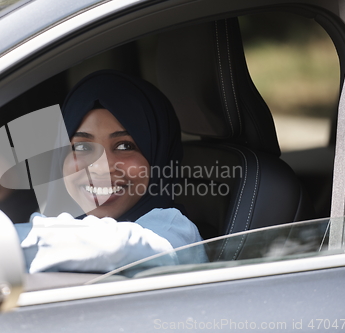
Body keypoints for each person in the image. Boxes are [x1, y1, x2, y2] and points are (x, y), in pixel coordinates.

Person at [16, 69, 206, 273]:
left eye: (125, 146)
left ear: (158, 157)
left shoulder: (175, 233)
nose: (102, 168)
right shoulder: (54, 220)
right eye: (82, 147)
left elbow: (116, 248)